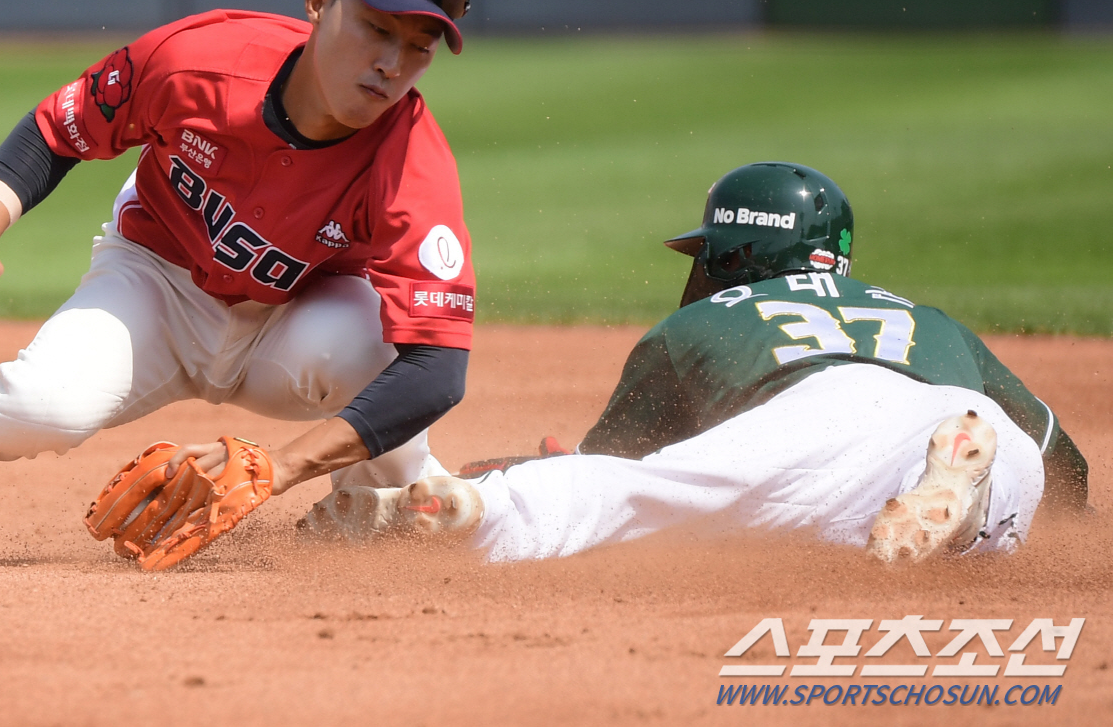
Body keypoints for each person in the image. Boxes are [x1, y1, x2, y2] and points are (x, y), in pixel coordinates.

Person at [0, 0, 478, 505]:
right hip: (153, 285)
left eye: (419, 47)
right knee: (39, 405)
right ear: (317, 4)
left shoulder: (412, 160)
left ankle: (380, 506)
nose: (391, 64)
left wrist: (279, 467)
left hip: (296, 320)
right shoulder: (199, 61)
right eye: (376, 29)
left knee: (377, 352)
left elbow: (436, 367)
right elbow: (58, 129)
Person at [301, 162, 1089, 563]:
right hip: (960, 420)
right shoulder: (928, 318)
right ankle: (969, 505)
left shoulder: (701, 323)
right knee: (1007, 479)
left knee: (629, 502)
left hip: (815, 422)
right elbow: (1068, 465)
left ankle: (476, 511)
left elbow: (616, 469)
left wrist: (525, 470)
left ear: (739, 255)